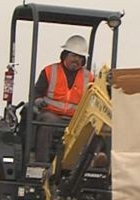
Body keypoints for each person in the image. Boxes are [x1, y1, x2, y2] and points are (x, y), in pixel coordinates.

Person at [32, 34, 94, 162]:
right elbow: (36, 92)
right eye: (73, 56)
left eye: (80, 57)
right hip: (52, 114)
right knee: (46, 123)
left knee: (92, 129)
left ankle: (83, 164)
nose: (76, 60)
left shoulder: (89, 77)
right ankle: (41, 163)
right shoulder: (49, 71)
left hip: (75, 119)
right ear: (65, 55)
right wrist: (38, 101)